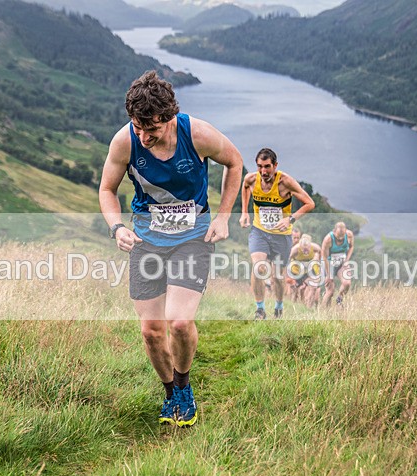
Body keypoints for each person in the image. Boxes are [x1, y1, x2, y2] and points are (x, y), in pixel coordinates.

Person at [99, 71, 243, 427]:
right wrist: (116, 227)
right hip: (146, 240)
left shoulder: (197, 134)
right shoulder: (125, 141)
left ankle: (184, 386)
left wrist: (223, 217)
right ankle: (169, 394)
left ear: (169, 117)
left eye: (154, 130)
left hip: (192, 238)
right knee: (150, 331)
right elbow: (106, 190)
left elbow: (236, 162)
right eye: (138, 127)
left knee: (179, 322)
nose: (145, 137)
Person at [239, 148, 315, 319]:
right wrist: (244, 212)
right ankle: (260, 310)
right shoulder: (251, 179)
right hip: (259, 231)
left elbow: (309, 203)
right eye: (260, 167)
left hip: (282, 235)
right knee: (259, 267)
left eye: (267, 167)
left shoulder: (285, 182)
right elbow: (245, 188)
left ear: (275, 165)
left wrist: (290, 220)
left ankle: (279, 307)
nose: (263, 171)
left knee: (278, 277)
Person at [321, 221, 355, 307]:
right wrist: (328, 275)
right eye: (338, 237)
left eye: (342, 237)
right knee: (330, 291)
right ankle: (323, 312)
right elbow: (324, 257)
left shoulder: (349, 235)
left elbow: (351, 247)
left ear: (346, 231)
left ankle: (339, 300)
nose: (340, 239)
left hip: (341, 263)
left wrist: (347, 260)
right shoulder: (328, 239)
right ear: (334, 231)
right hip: (329, 264)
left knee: (347, 283)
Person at [288, 233, 323, 306]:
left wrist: (317, 265)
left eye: (307, 250)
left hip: (308, 271)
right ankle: (293, 306)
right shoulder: (295, 249)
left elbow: (320, 253)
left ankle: (308, 308)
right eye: (304, 250)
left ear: (310, 246)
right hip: (297, 271)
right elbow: (287, 261)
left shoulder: (316, 247)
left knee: (313, 287)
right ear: (300, 246)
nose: (305, 252)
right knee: (295, 292)